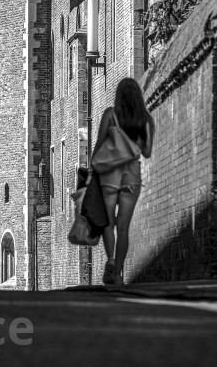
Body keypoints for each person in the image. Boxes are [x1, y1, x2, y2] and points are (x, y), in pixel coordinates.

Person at [96, 77, 155, 286]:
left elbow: (98, 148)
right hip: (131, 175)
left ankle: (110, 259)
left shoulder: (110, 115)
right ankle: (118, 274)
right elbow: (147, 152)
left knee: (108, 223)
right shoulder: (146, 120)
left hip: (111, 175)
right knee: (123, 227)